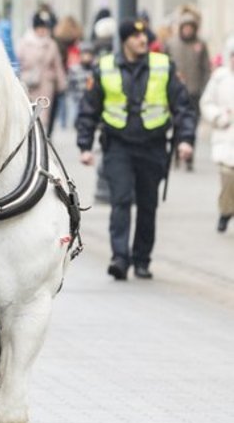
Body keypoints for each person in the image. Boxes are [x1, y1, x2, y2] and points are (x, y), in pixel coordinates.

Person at [76, 17, 196, 280]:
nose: (143, 40)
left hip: (153, 146)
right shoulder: (105, 67)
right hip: (118, 145)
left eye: (145, 36)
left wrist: (186, 140)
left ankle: (142, 259)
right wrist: (84, 145)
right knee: (120, 200)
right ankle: (120, 258)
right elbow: (89, 109)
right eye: (136, 36)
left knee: (147, 204)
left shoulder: (163, 66)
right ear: (125, 40)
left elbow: (183, 107)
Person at [165, 5, 212, 169]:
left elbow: (206, 67)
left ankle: (189, 154)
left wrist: (205, 86)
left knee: (191, 123)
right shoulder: (171, 44)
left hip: (193, 90)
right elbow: (165, 65)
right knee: (175, 123)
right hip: (175, 90)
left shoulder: (200, 44)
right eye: (185, 27)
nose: (188, 31)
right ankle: (177, 152)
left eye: (190, 28)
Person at [199, 35, 234, 233]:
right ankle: (226, 211)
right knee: (228, 176)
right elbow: (207, 103)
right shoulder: (220, 78)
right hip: (226, 134)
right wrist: (218, 116)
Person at [16, 10, 67, 134]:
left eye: (44, 28)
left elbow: (57, 64)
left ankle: (42, 138)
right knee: (28, 112)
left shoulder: (51, 44)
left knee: (44, 115)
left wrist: (62, 84)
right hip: (28, 83)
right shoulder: (24, 43)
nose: (42, 31)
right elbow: (17, 62)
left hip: (46, 84)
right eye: (40, 28)